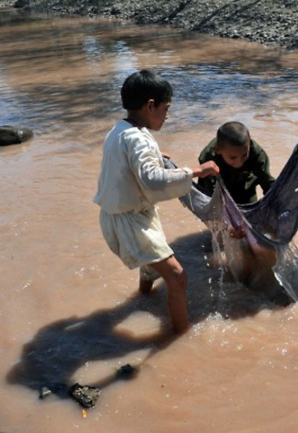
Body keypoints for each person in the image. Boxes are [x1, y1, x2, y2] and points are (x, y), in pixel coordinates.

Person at [93, 69, 219, 334]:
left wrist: (155, 153)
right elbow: (153, 180)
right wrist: (196, 170)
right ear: (151, 106)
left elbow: (126, 158)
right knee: (177, 277)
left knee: (153, 263)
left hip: (119, 214)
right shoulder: (137, 138)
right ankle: (180, 337)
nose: (167, 115)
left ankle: (143, 298)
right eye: (166, 108)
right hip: (129, 219)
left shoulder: (121, 130)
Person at [196, 121, 276, 205]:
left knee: (249, 211)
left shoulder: (257, 155)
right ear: (218, 150)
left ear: (249, 145)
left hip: (245, 186)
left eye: (244, 155)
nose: (239, 161)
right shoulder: (209, 157)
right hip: (218, 185)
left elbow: (267, 183)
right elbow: (209, 191)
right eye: (233, 157)